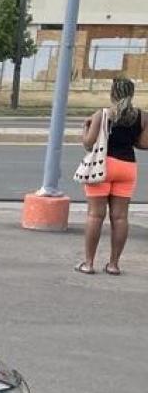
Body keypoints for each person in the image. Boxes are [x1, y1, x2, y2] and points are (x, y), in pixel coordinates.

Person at [79, 77, 144, 275]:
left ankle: (89, 263)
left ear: (112, 93)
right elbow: (144, 144)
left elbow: (89, 143)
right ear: (131, 94)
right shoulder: (143, 116)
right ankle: (114, 264)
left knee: (95, 215)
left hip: (103, 166)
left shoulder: (103, 114)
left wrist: (85, 127)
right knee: (120, 218)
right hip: (127, 167)